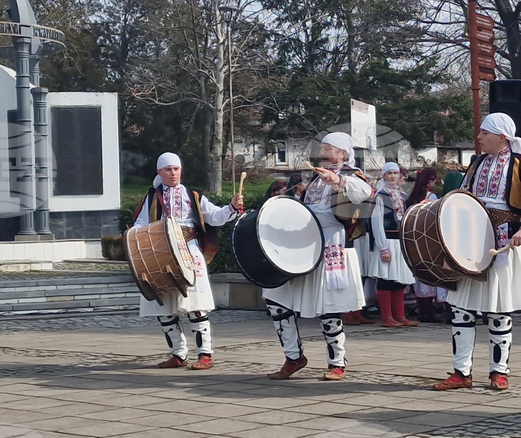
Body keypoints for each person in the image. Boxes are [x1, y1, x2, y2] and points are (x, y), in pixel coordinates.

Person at [432, 113, 521, 392]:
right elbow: (462, 196)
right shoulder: (477, 163)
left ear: (502, 136)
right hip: (471, 241)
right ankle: (461, 372)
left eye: (484, 133)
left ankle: (499, 372)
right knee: (461, 309)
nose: (479, 137)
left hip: (504, 240)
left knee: (498, 310)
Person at [263, 133, 374, 381]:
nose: (321, 153)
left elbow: (366, 192)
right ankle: (294, 357)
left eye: (327, 148)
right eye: (321, 148)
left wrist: (338, 180)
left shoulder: (351, 175)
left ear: (343, 154)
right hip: (304, 246)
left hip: (332, 246)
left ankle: (337, 363)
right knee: (275, 297)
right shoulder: (315, 178)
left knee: (329, 309)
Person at [132, 152, 243, 370]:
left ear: (181, 170)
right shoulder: (152, 198)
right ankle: (178, 354)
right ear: (159, 172)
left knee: (196, 305)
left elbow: (215, 217)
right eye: (168, 169)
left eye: (176, 169)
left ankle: (205, 355)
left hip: (189, 252)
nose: (173, 173)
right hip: (161, 253)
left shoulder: (193, 196)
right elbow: (140, 225)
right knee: (163, 308)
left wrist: (231, 207)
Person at [367, 163, 419, 327]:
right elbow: (377, 223)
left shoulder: (402, 196)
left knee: (399, 280)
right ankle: (387, 317)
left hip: (399, 242)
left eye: (395, 173)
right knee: (386, 280)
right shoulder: (380, 197)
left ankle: (400, 315)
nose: (392, 176)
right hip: (387, 241)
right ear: (384, 176)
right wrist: (383, 247)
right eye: (389, 173)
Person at [407, 168, 447, 322]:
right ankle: (429, 312)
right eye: (434, 181)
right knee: (430, 275)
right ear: (429, 181)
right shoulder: (432, 197)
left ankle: (422, 310)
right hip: (428, 238)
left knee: (420, 275)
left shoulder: (411, 197)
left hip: (413, 238)